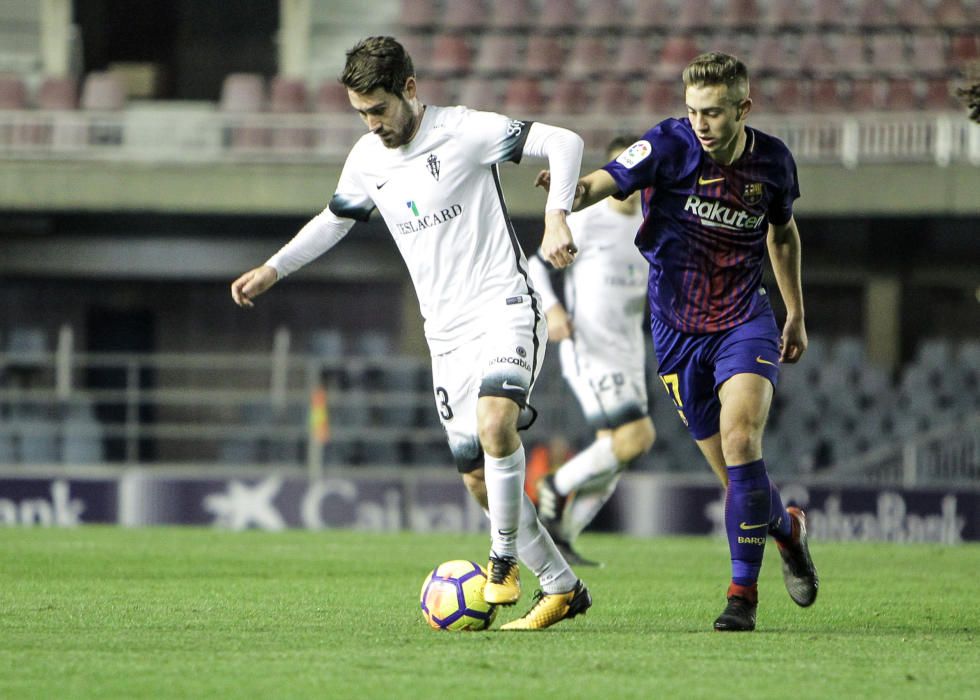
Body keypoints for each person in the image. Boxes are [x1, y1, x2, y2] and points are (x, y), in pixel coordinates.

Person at [230, 36, 590, 630]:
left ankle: (501, 561)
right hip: (444, 336)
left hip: (503, 304)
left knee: (496, 420)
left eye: (379, 109)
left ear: (411, 89)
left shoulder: (465, 131)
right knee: (478, 476)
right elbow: (335, 219)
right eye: (361, 113)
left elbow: (564, 140)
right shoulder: (369, 159)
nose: (372, 124)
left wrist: (556, 215)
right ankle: (561, 586)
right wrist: (275, 268)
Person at [540, 52, 818, 631]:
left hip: (745, 319)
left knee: (743, 442)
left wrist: (794, 311)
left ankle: (741, 597)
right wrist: (562, 206)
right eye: (693, 111)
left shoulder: (773, 163)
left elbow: (783, 234)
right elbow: (607, 178)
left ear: (744, 107)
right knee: (740, 484)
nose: (702, 123)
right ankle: (788, 530)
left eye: (714, 112)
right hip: (676, 332)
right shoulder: (668, 144)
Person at [527, 135, 656, 568]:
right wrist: (553, 309)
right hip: (590, 347)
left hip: (629, 348)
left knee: (616, 451)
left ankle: (563, 536)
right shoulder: (589, 219)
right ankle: (556, 486)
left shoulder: (651, 222)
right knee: (637, 437)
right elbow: (535, 264)